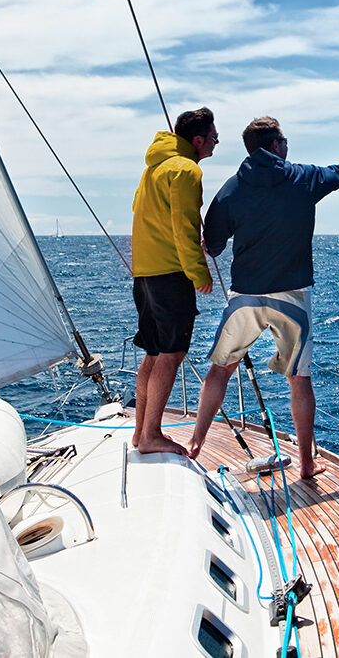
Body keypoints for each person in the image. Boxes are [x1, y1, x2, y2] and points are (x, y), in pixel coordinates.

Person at [188, 116, 339, 476]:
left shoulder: (230, 190)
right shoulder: (303, 178)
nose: (287, 147)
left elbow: (212, 245)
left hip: (245, 296)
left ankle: (196, 443)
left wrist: (207, 240)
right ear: (274, 145)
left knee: (220, 372)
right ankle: (306, 462)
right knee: (298, 379)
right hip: (291, 297)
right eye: (284, 141)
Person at [131, 107, 218, 455]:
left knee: (153, 353)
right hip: (171, 275)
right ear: (197, 140)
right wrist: (199, 273)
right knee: (172, 353)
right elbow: (185, 229)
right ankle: (151, 434)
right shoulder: (186, 170)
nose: (215, 142)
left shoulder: (153, 169)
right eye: (213, 137)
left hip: (145, 275)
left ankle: (141, 432)